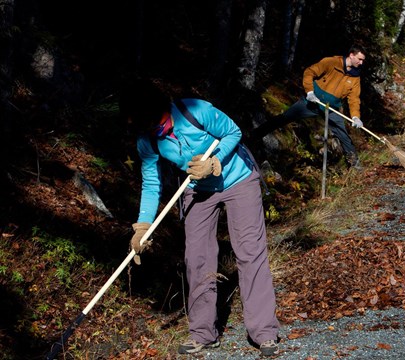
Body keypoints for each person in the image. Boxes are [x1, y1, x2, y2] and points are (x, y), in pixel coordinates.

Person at [120, 79, 280, 356]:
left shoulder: (196, 111)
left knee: (249, 252)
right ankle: (203, 333)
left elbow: (233, 132)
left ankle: (264, 332)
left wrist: (215, 161)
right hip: (196, 190)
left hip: (238, 180)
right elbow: (150, 183)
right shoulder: (147, 140)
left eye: (153, 122)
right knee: (197, 259)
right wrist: (143, 226)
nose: (153, 130)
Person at [251, 44, 366, 168]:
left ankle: (355, 165)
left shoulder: (355, 77)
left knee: (343, 136)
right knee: (285, 117)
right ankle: (253, 137)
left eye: (363, 60)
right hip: (312, 102)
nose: (361, 62)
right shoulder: (331, 62)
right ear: (351, 55)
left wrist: (355, 117)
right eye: (359, 59)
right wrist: (310, 92)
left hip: (332, 109)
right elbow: (309, 72)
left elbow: (354, 99)